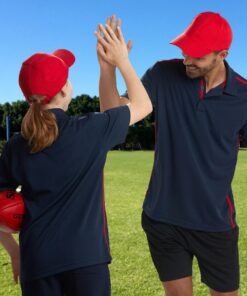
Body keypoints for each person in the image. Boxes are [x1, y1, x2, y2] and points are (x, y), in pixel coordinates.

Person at [98, 12, 247, 296]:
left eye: (198, 56)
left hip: (215, 222)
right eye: (184, 52)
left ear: (222, 55)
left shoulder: (243, 96)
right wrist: (108, 68)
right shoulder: (163, 74)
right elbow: (113, 114)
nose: (187, 60)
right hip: (163, 218)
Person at [0, 23, 152, 296]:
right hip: (86, 262)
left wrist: (15, 252)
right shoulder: (90, 129)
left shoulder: (15, 147)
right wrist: (119, 62)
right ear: (64, 91)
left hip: (36, 263)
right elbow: (143, 105)